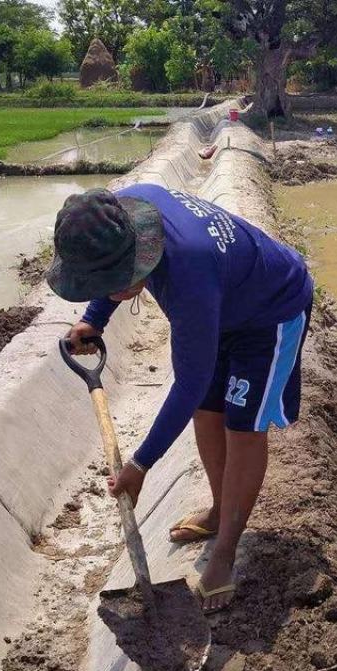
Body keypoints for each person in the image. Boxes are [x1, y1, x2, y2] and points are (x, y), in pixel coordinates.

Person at [46, 185, 313, 613]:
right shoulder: (119, 214)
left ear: (141, 251)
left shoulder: (188, 269)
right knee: (208, 412)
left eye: (117, 282)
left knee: (243, 426)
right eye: (103, 285)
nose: (113, 291)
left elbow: (187, 383)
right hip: (220, 304)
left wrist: (140, 464)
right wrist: (93, 318)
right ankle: (218, 509)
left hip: (269, 312)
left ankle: (225, 553)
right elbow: (108, 269)